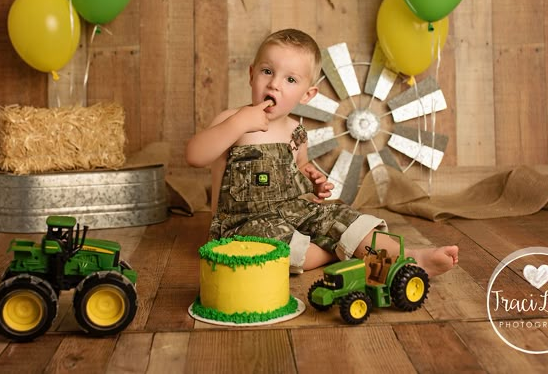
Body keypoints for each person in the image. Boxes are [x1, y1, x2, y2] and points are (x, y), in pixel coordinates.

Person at [185, 28, 458, 276]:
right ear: (251, 74)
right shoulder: (231, 120)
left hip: (292, 212)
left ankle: (410, 258)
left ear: (306, 95)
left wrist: (311, 178)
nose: (274, 84)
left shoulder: (296, 132)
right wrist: (237, 123)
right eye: (267, 71)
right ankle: (342, 251)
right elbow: (195, 156)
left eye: (290, 79)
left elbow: (299, 168)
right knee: (276, 249)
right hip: (240, 225)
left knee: (341, 217)